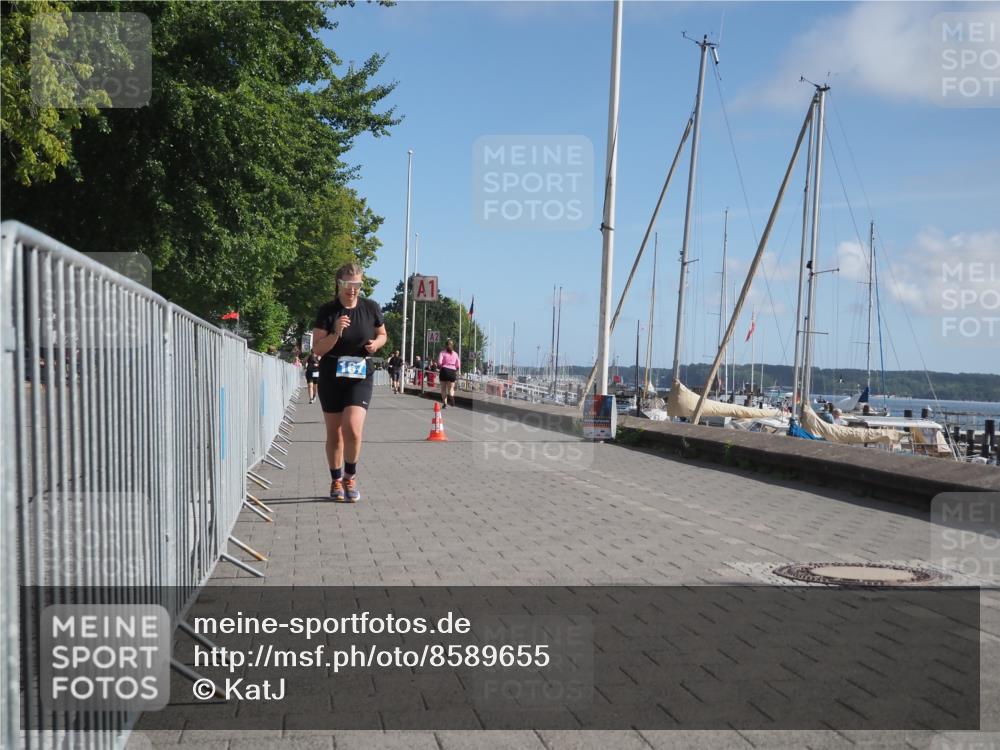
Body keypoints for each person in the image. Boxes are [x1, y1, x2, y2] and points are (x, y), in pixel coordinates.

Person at [310, 263, 387, 503]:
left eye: (357, 285)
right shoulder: (328, 311)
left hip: (360, 373)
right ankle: (335, 479)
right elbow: (317, 348)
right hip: (332, 372)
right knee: (334, 432)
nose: (352, 290)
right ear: (339, 284)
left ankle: (350, 476)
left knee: (352, 428)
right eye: (348, 285)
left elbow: (382, 334)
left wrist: (376, 344)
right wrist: (335, 333)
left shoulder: (371, 308)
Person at [437, 338, 460, 407]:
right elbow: (458, 365)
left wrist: (440, 367)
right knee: (451, 388)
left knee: (443, 388)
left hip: (444, 370)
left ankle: (445, 403)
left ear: (445, 345)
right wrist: (455, 370)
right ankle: (451, 396)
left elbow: (439, 362)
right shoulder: (456, 354)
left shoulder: (442, 353)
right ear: (453, 346)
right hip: (452, 371)